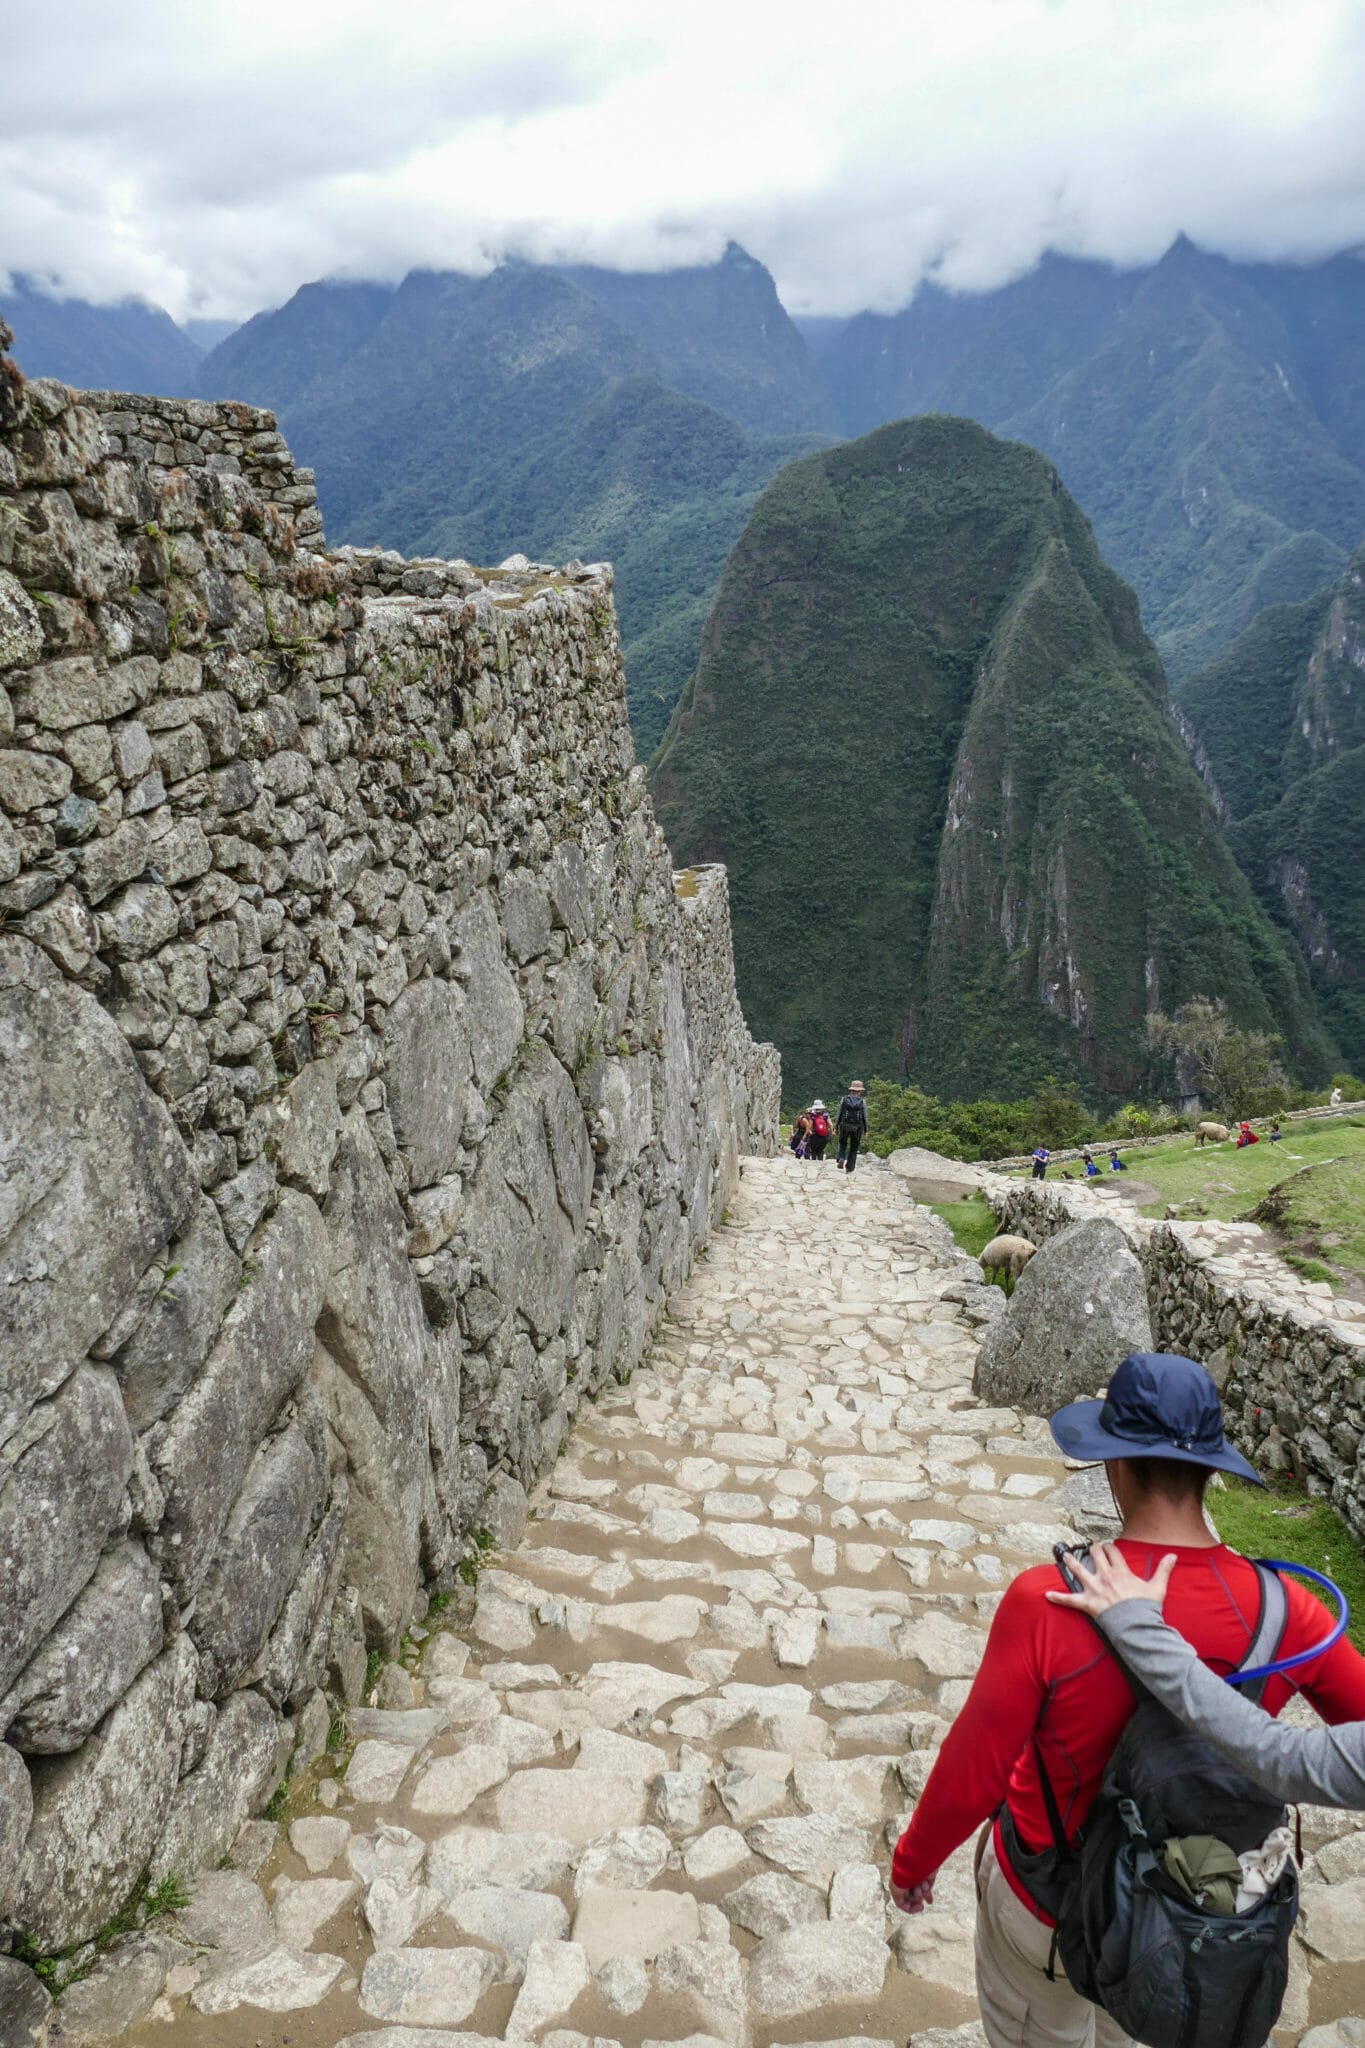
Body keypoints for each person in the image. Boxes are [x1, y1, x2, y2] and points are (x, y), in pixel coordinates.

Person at [889, 1351, 1365, 2048]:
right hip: (1179, 1913)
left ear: (1115, 1465)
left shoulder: (1047, 1602)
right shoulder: (1287, 1609)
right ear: (1211, 1467)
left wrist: (913, 1865)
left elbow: (974, 1772)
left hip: (1050, 1905)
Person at [1047, 1541, 1365, 1809]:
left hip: (1064, 1865)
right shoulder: (1294, 1609)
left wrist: (1136, 1625)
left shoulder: (1042, 1596)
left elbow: (1282, 1758)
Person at [835, 1081, 868, 1173]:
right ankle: (849, 1167)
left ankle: (841, 1157)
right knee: (854, 1146)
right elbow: (865, 1117)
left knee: (843, 1142)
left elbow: (839, 1114)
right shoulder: (862, 1102)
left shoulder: (844, 1099)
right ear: (860, 1091)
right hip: (857, 1128)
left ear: (852, 1090)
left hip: (844, 1126)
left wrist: (836, 1126)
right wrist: (866, 1130)